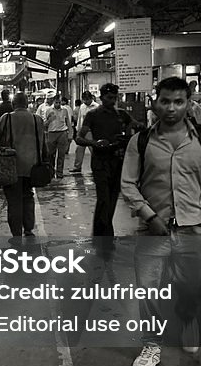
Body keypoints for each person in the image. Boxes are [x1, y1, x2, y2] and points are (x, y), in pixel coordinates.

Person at [121, 76, 201, 366]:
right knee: (148, 291)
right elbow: (128, 185)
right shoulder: (140, 141)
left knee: (193, 288)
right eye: (165, 101)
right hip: (152, 232)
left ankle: (187, 316)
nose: (171, 108)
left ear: (188, 103)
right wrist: (149, 215)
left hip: (193, 228)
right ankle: (151, 345)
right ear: (155, 103)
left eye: (178, 101)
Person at [75, 83, 138, 245]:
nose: (112, 101)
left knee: (111, 199)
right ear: (102, 97)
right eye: (109, 98)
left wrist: (129, 135)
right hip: (100, 162)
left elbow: (137, 126)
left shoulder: (122, 115)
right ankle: (107, 236)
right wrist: (95, 143)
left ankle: (99, 235)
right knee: (104, 198)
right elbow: (79, 138)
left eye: (115, 98)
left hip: (117, 162)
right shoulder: (93, 115)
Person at [0, 92, 43, 238]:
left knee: (14, 200)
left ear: (14, 104)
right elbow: (43, 144)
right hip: (31, 167)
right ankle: (28, 229)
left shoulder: (6, 118)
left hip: (10, 167)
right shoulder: (37, 119)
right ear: (27, 104)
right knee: (28, 196)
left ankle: (16, 233)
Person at [43, 95, 72, 179]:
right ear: (53, 102)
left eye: (59, 102)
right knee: (51, 154)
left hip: (62, 133)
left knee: (61, 154)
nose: (58, 104)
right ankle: (51, 172)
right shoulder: (48, 110)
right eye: (56, 102)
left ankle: (59, 172)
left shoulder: (65, 110)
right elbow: (44, 124)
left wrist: (70, 134)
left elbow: (68, 122)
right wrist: (49, 120)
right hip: (52, 133)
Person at [70, 92, 98, 173]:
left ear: (91, 98)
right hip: (82, 131)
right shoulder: (82, 107)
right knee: (79, 149)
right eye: (84, 100)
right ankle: (77, 167)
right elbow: (79, 119)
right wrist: (78, 130)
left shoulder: (96, 107)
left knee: (94, 150)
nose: (86, 101)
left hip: (91, 132)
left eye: (87, 99)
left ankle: (96, 167)